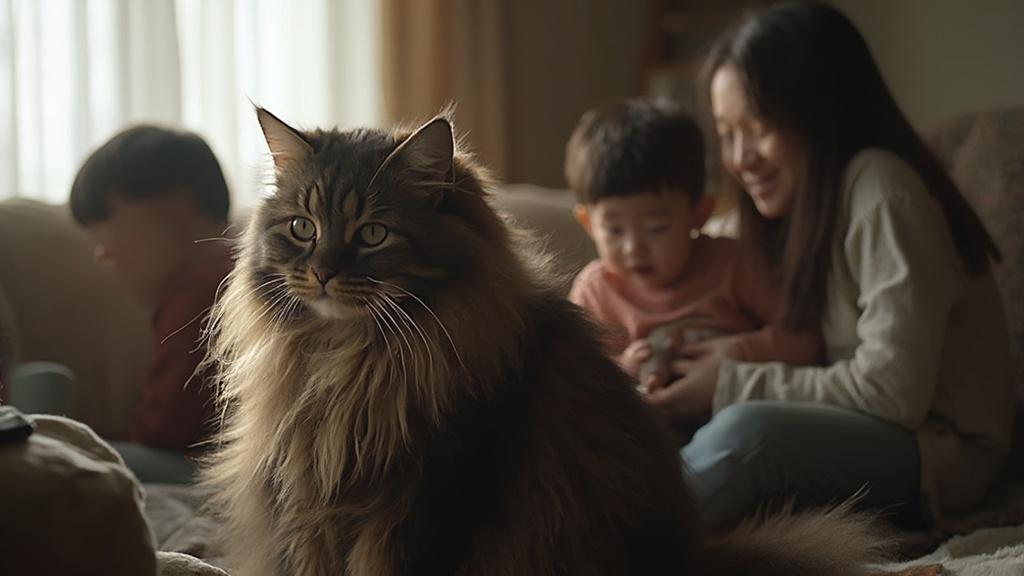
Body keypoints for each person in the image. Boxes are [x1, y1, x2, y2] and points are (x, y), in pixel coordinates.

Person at [652, 0, 1014, 532]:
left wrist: (732, 382)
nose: (740, 157)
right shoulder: (791, 204)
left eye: (759, 127)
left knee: (750, 432)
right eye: (728, 135)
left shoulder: (882, 191)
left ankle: (608, 550)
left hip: (942, 453)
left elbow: (893, 394)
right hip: (867, 430)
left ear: (821, 112)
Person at [565, 99, 821, 433]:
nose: (633, 248)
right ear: (587, 223)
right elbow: (573, 378)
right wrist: (622, 368)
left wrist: (741, 350)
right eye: (613, 230)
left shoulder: (733, 264)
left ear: (699, 213)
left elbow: (804, 338)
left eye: (656, 228)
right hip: (648, 432)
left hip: (736, 423)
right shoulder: (595, 291)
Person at [68, 124, 234, 483]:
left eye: (108, 222)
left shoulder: (200, 296)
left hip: (213, 474)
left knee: (68, 453)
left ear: (177, 204)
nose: (102, 252)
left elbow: (163, 434)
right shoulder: (229, 271)